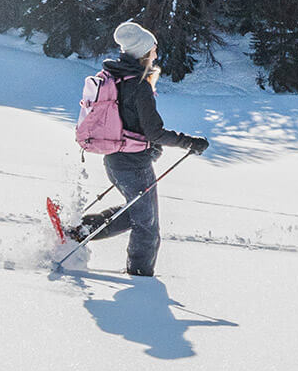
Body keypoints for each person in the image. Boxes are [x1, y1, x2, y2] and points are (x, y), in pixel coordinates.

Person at [77, 20, 209, 276]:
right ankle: (140, 277)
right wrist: (189, 142)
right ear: (143, 53)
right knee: (147, 226)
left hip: (115, 160)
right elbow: (154, 132)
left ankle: (80, 229)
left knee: (135, 213)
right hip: (134, 164)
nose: (156, 54)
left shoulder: (115, 76)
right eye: (153, 50)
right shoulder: (139, 87)